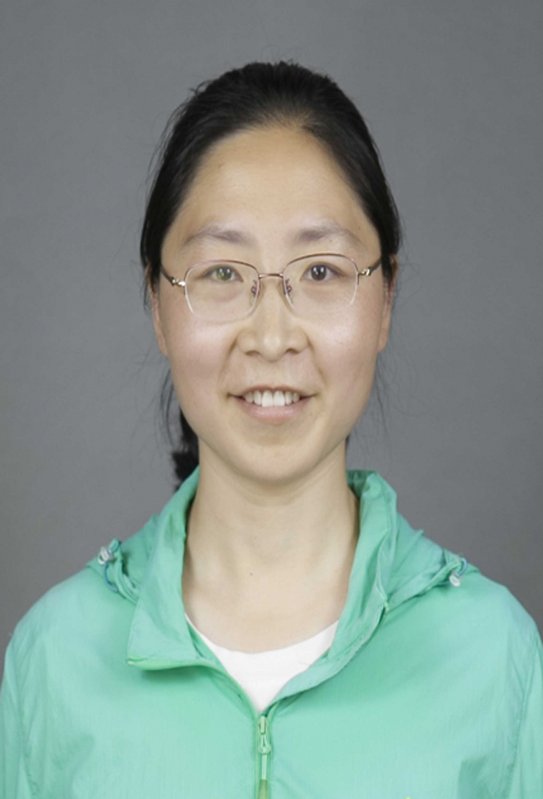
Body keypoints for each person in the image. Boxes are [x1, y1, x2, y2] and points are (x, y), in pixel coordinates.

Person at [1, 61, 541, 799]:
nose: (271, 335)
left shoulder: (492, 655)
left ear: (385, 298)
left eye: (320, 272)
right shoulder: (56, 657)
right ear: (157, 303)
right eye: (223, 273)